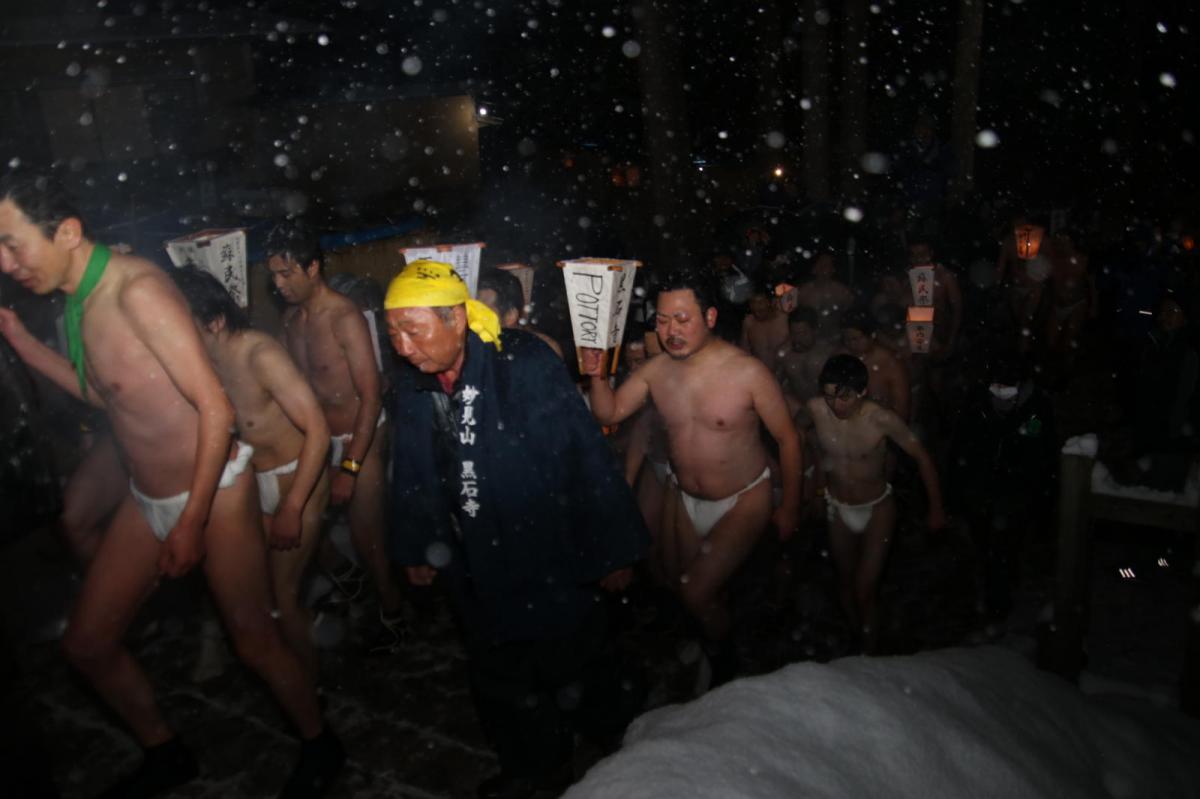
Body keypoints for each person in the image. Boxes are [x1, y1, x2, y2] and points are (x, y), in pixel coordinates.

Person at [0, 174, 342, 798]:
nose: (6, 262)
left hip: (213, 495)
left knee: (253, 640)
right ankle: (166, 750)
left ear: (68, 234)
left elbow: (218, 410)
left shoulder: (138, 291)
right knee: (87, 644)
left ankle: (322, 745)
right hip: (146, 494)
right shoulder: (77, 302)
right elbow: (102, 397)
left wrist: (189, 522)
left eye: (12, 244)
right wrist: (20, 340)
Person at [383, 260, 649, 799]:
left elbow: (583, 456)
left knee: (574, 659)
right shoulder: (413, 385)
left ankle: (624, 754)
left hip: (544, 547)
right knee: (498, 671)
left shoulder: (521, 363)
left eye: (414, 330)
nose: (404, 346)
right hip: (473, 559)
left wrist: (611, 550)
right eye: (393, 334)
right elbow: (412, 469)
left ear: (456, 319)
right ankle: (534, 766)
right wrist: (417, 543)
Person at [584, 268, 802, 684]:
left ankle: (727, 663)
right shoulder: (656, 371)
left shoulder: (748, 372)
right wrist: (596, 377)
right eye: (663, 320)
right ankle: (710, 637)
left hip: (744, 497)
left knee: (694, 589)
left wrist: (789, 504)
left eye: (683, 319)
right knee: (676, 581)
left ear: (711, 318)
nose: (671, 331)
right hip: (684, 497)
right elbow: (608, 412)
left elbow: (789, 439)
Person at [172, 266, 332, 679]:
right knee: (257, 594)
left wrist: (293, 506)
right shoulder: (201, 364)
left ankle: (313, 686)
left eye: (183, 324)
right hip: (253, 482)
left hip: (297, 479)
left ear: (215, 320)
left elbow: (319, 430)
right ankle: (294, 664)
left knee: (283, 594)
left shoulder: (258, 354)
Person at [266, 220, 405, 653]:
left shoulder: (344, 318)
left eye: (287, 273)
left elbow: (370, 397)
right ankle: (349, 581)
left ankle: (393, 610)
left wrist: (351, 465)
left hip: (358, 434)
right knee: (298, 527)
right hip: (316, 441)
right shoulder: (289, 321)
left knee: (368, 537)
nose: (279, 284)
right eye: (273, 275)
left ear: (313, 267)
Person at [807, 354, 945, 654]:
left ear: (863, 392)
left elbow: (922, 457)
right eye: (830, 395)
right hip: (837, 506)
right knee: (845, 581)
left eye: (844, 397)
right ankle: (858, 640)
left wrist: (935, 508)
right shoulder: (816, 409)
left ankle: (870, 656)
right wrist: (816, 490)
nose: (836, 405)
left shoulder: (881, 419)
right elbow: (813, 448)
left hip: (877, 506)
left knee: (864, 588)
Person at [947, 351, 1057, 623]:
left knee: (1005, 549)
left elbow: (1043, 456)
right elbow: (960, 445)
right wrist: (956, 491)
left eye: (1007, 388)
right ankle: (980, 597)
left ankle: (998, 606)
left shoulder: (1037, 407)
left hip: (1015, 493)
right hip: (979, 488)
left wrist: (1039, 500)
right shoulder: (977, 400)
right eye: (996, 386)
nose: (1000, 393)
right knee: (980, 547)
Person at [476, 267, 564, 358]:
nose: (473, 318)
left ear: (510, 316)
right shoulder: (473, 344)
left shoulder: (541, 350)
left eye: (482, 312)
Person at [841, 309, 911, 423]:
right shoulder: (841, 358)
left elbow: (902, 411)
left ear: (872, 335)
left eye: (856, 339)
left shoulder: (890, 364)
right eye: (847, 340)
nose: (852, 344)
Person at [776, 306, 835, 423]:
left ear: (815, 330)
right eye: (794, 333)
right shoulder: (784, 354)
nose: (798, 338)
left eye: (803, 333)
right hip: (799, 410)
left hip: (828, 410)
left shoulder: (829, 353)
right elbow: (776, 384)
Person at [795, 252, 856, 343]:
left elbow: (851, 319)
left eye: (827, 265)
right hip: (809, 341)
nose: (823, 268)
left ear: (833, 269)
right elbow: (790, 318)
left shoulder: (843, 292)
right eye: (821, 264)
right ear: (813, 269)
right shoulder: (801, 292)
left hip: (834, 340)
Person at [739, 288, 790, 370]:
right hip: (761, 374)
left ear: (770, 302)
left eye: (760, 302)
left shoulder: (784, 319)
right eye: (752, 302)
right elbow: (744, 351)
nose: (756, 307)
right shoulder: (748, 322)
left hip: (784, 373)